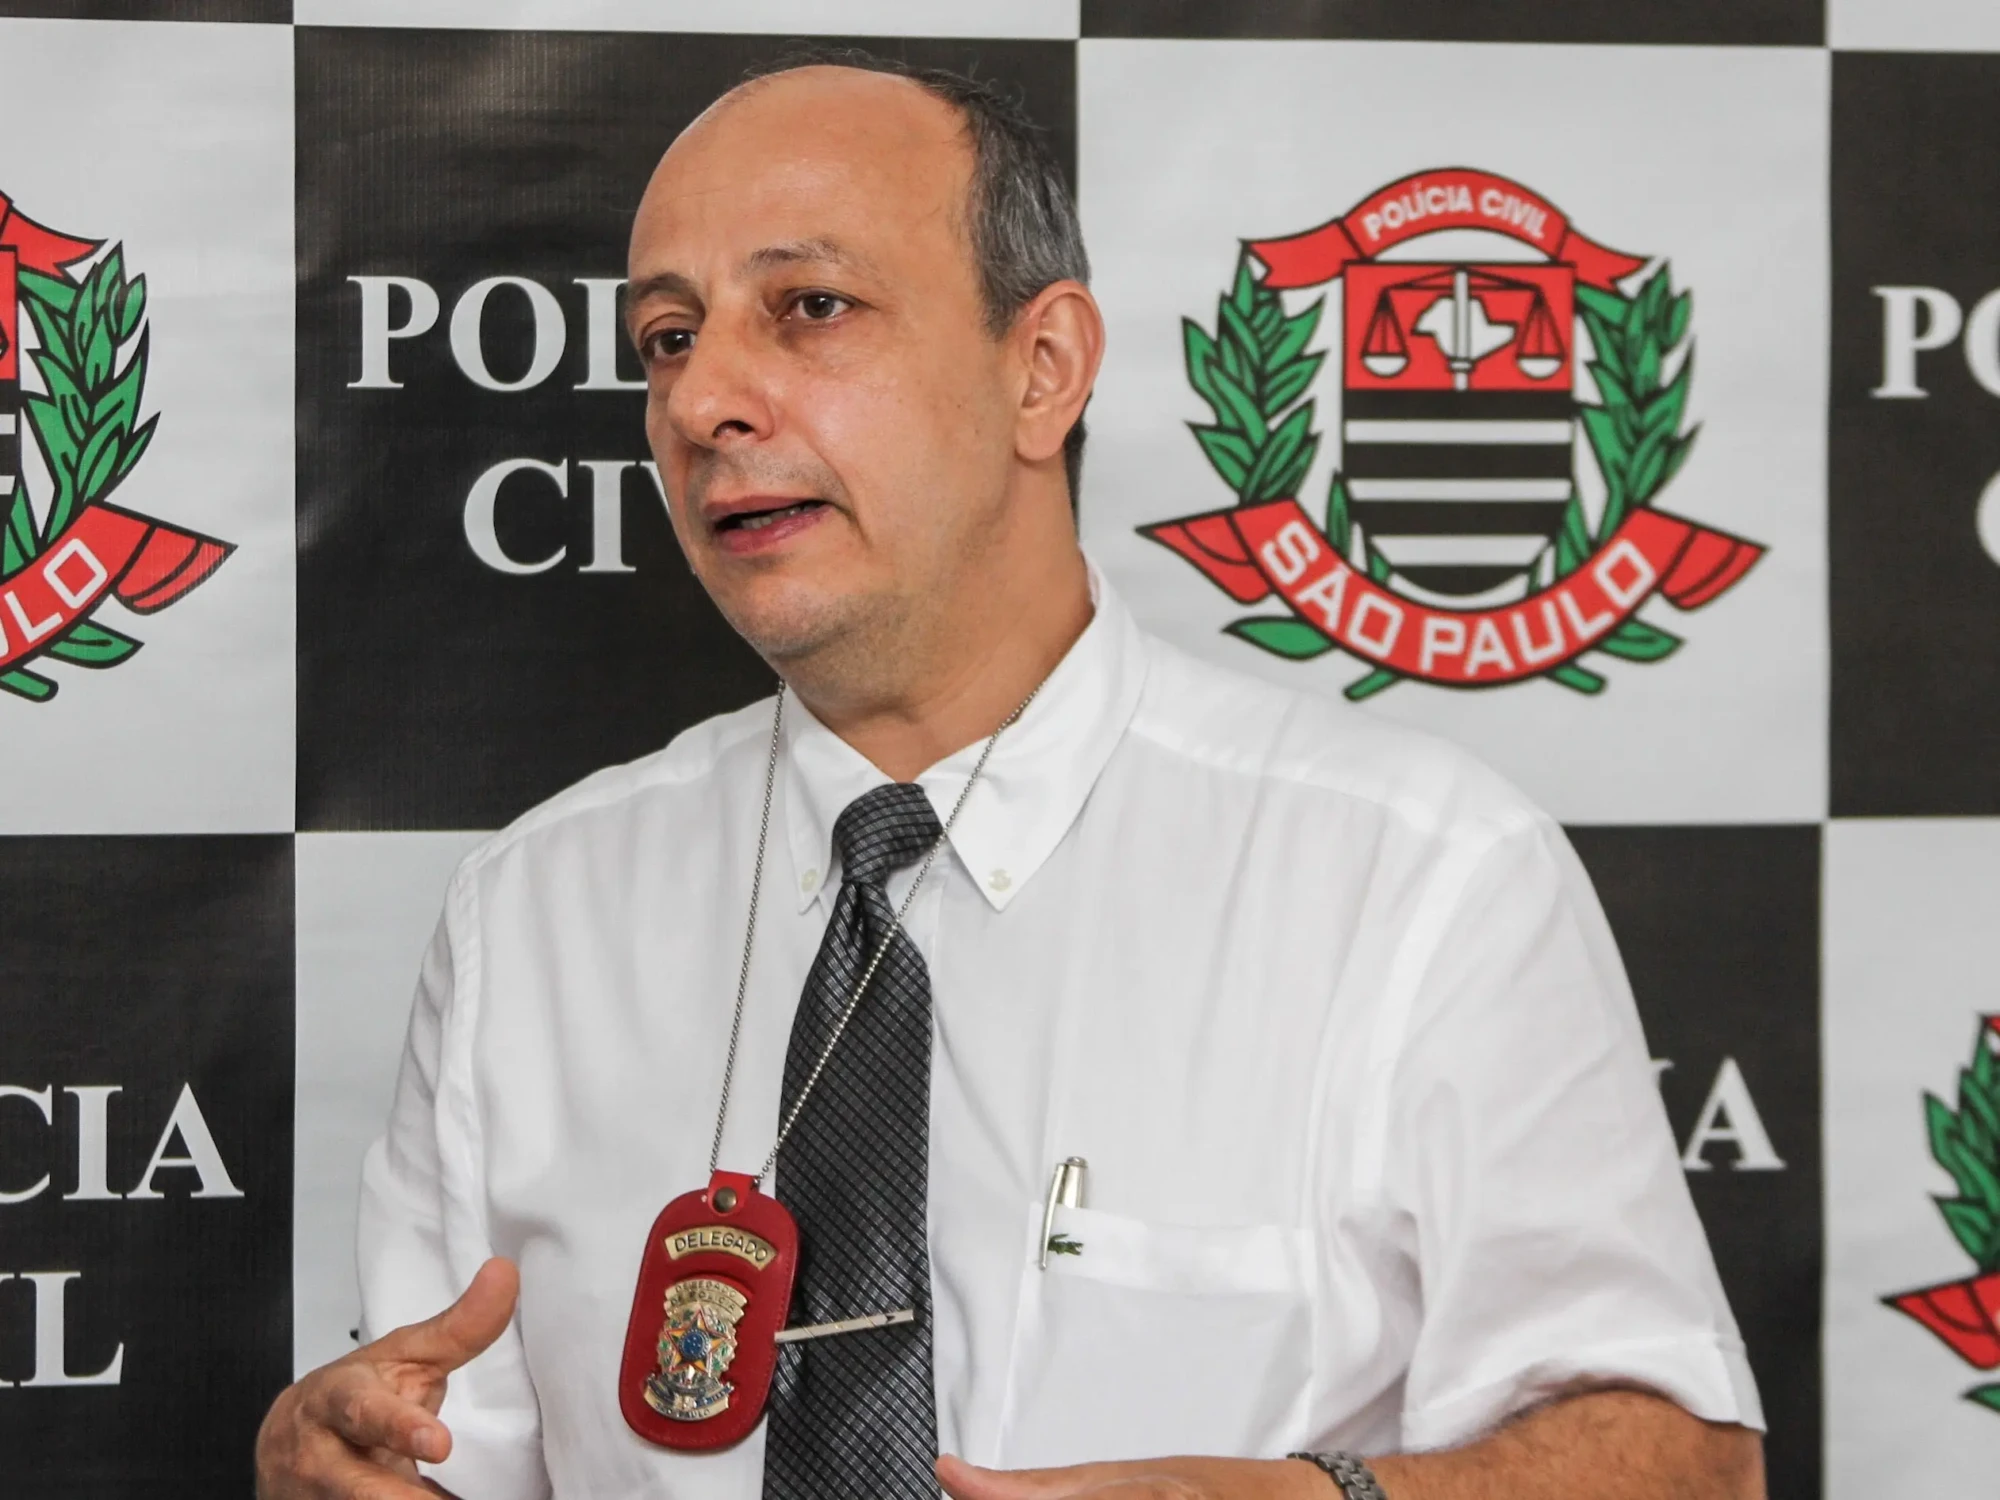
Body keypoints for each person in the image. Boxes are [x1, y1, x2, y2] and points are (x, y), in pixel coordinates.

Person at [256, 50, 1766, 1500]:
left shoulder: (1416, 874)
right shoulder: (531, 915)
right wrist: (331, 1472)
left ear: (1043, 370)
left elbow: (1689, 1466)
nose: (704, 401)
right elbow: (438, 1455)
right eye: (667, 338)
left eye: (811, 308)